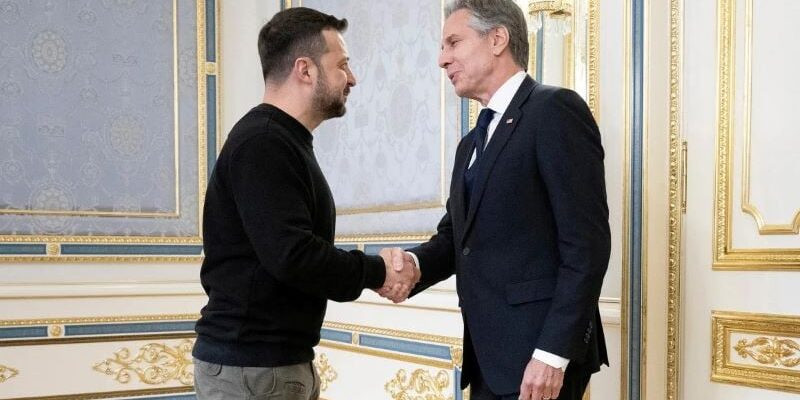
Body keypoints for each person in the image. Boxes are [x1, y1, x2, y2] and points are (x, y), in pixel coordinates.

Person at [379, 1, 610, 399]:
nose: (441, 59)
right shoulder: (471, 142)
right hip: (488, 358)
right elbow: (456, 239)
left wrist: (552, 354)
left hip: (539, 360)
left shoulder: (554, 110)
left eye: (453, 43)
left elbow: (587, 247)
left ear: (498, 39)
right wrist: (412, 264)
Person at [192, 7, 418, 400]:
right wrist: (377, 270)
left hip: (267, 366)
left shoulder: (280, 140)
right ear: (305, 70)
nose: (352, 78)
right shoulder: (263, 142)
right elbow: (292, 256)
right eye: (342, 65)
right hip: (253, 370)